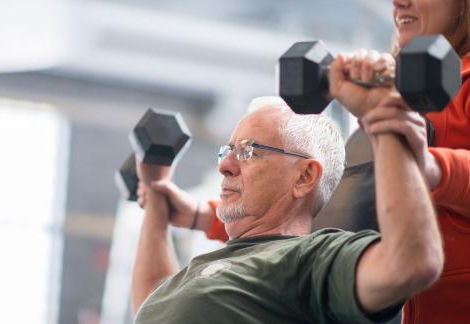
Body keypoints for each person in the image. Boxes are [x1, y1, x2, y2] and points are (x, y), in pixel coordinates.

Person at [141, 0, 470, 322]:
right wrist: (201, 214)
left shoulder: (411, 108)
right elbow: (335, 203)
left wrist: (428, 166)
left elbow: (302, 219)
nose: (398, 3)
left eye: (248, 151)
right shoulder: (397, 103)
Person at [131, 95, 443, 323]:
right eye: (228, 151)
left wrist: (386, 122)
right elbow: (153, 302)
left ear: (305, 176)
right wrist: (156, 200)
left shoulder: (310, 258)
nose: (225, 165)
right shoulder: (208, 265)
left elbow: (411, 264)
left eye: (248, 151)